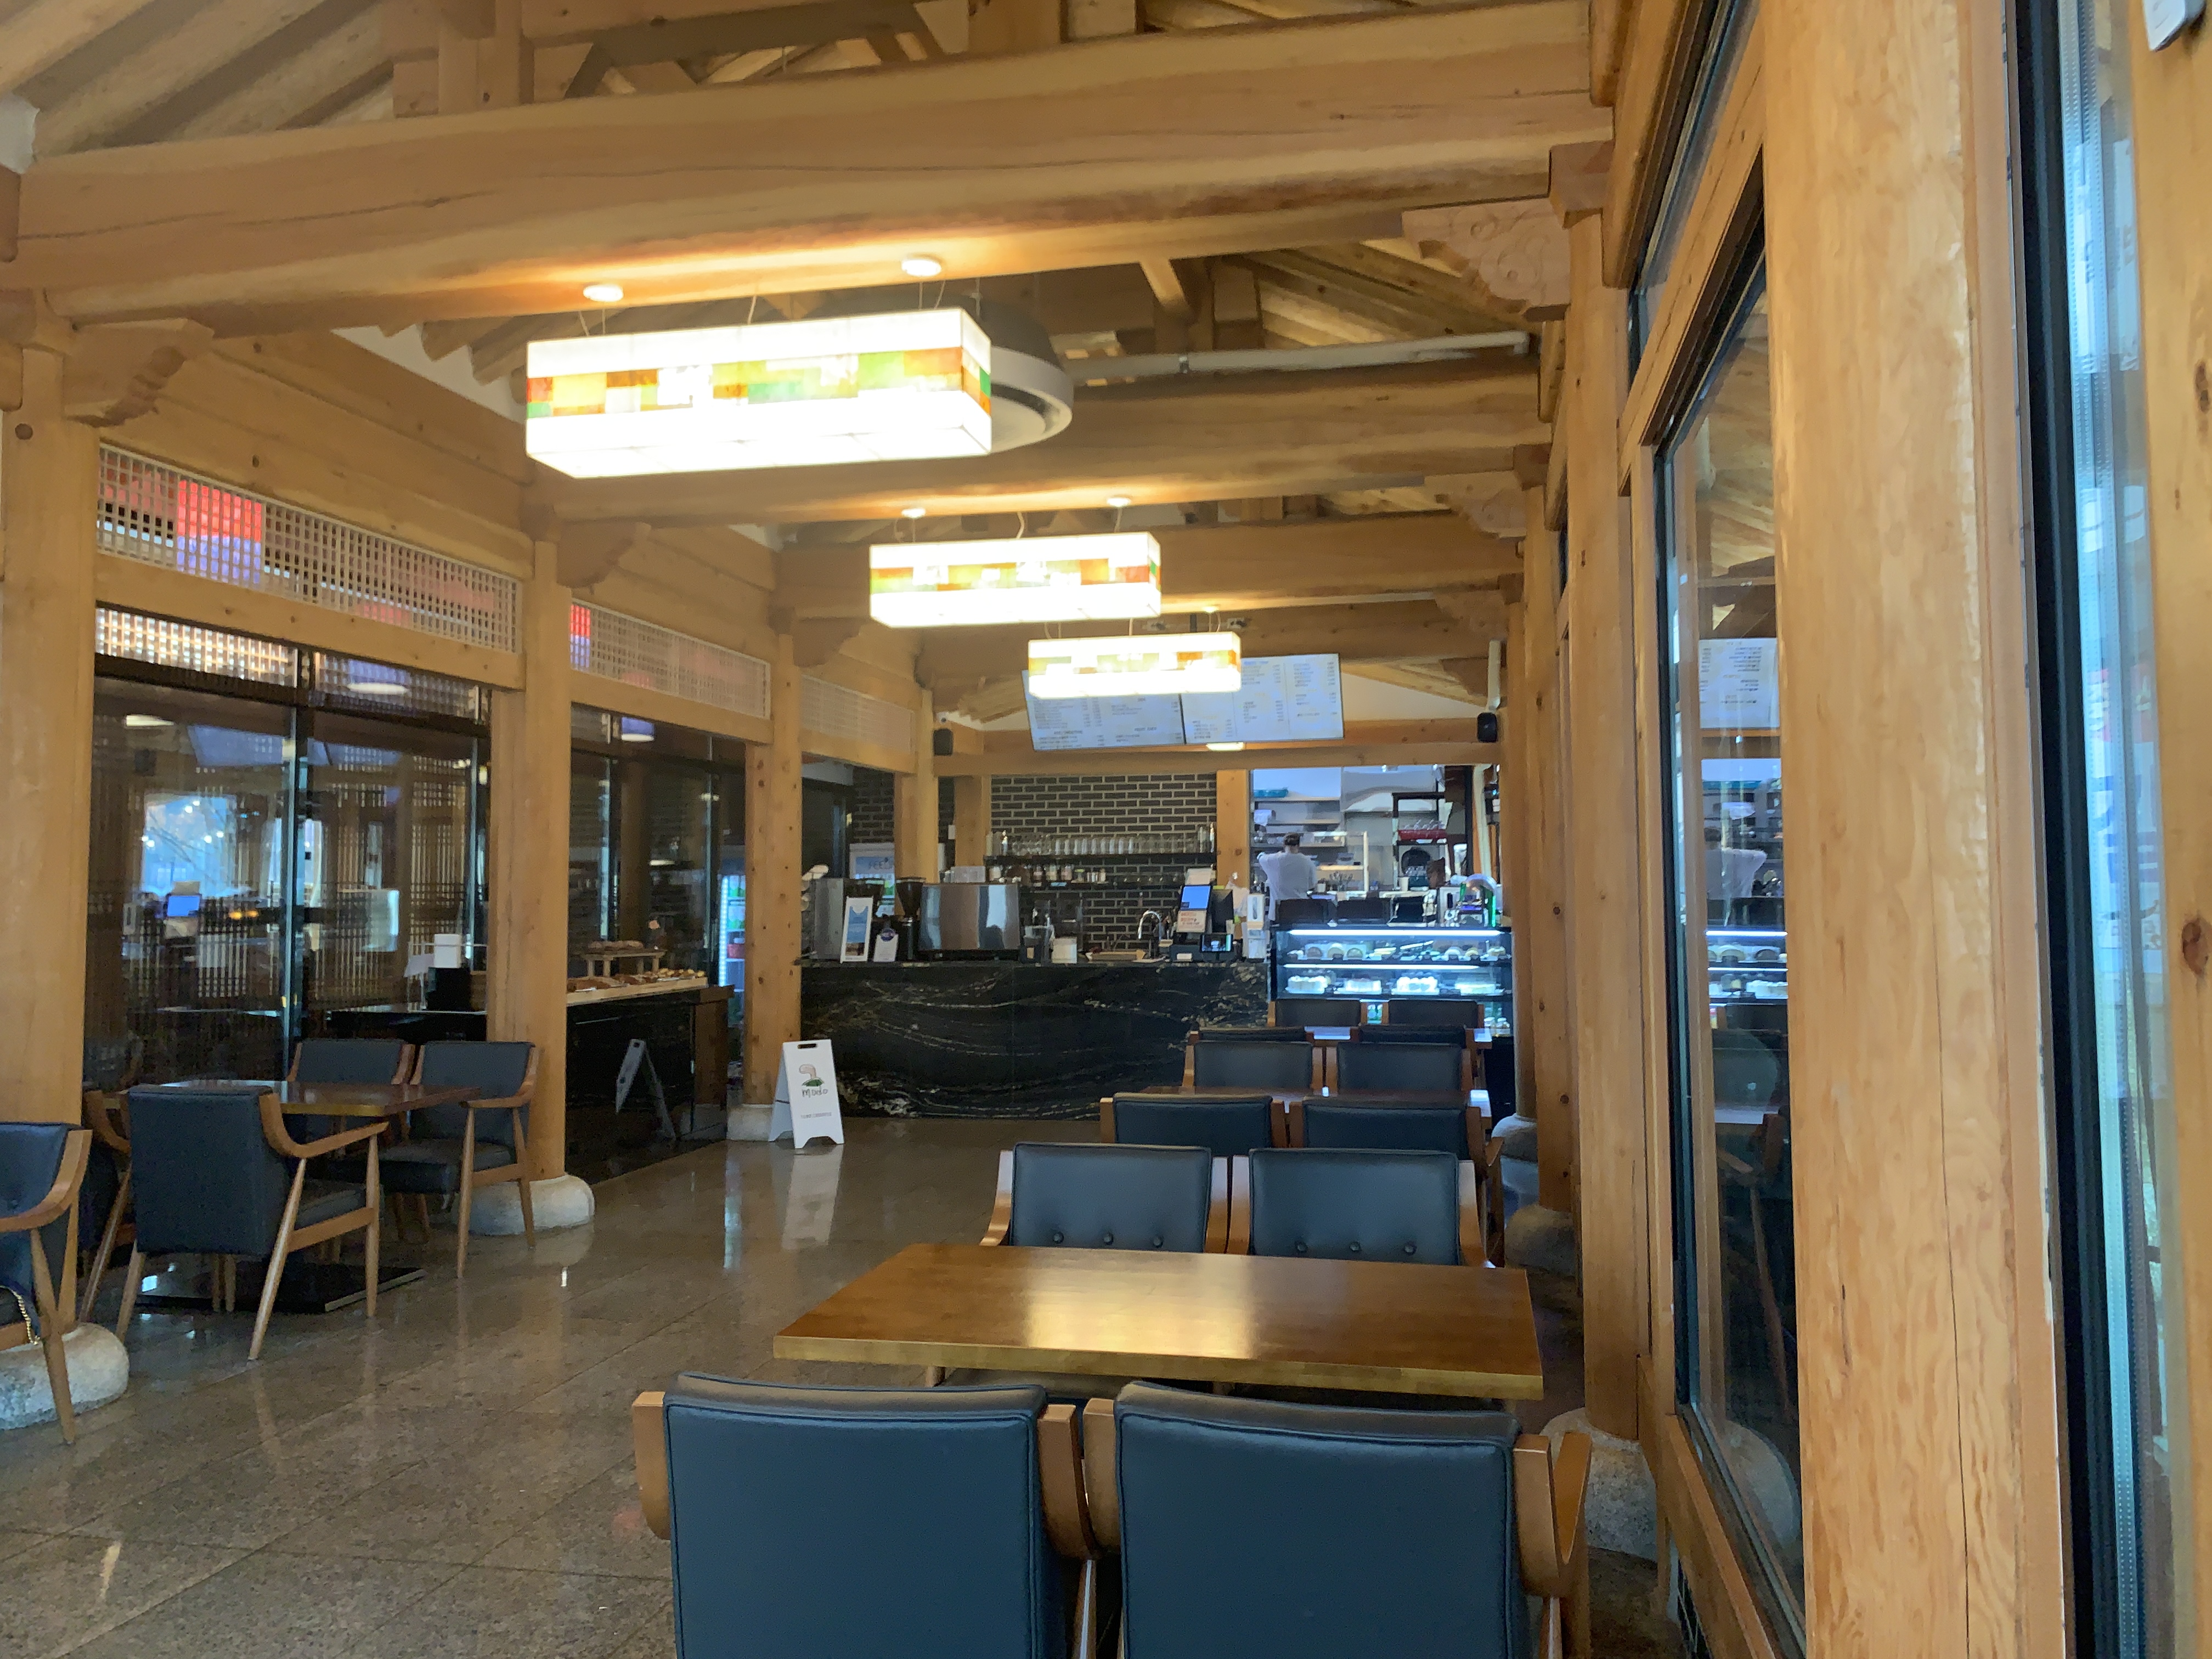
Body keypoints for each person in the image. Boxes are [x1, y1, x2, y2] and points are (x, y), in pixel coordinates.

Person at [1256, 833, 1318, 916]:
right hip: (1301, 910)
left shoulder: (1274, 859)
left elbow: (1260, 858)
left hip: (1278, 913)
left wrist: (1261, 854)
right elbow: (1312, 885)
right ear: (1298, 845)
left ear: (1284, 845)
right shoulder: (1308, 862)